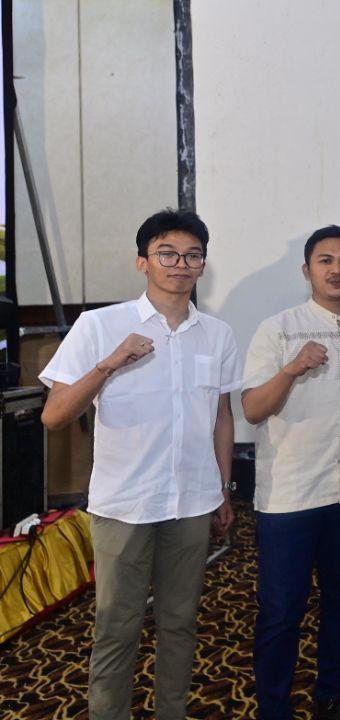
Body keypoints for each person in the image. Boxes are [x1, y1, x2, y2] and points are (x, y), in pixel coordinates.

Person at [39, 209, 240, 720]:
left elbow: (221, 416)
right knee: (117, 627)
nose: (180, 264)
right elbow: (55, 416)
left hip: (192, 502)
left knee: (180, 624)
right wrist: (109, 364)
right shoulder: (99, 325)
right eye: (166, 253)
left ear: (203, 265)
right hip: (124, 504)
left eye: (192, 255)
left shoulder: (217, 334)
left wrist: (224, 488)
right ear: (142, 262)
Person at [240, 225, 340, 720]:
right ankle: (273, 708)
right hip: (291, 495)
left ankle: (332, 697)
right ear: (306, 270)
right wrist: (290, 368)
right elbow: (253, 409)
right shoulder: (278, 329)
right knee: (281, 610)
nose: (336, 269)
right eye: (325, 260)